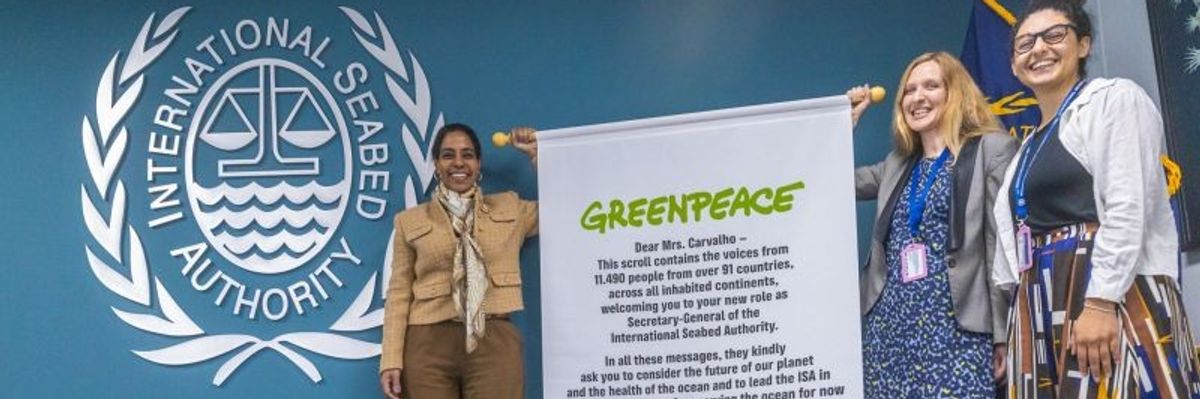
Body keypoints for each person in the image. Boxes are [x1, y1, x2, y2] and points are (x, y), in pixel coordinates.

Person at [992, 1, 1200, 397]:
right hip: (1041, 294)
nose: (1039, 49)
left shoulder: (1115, 100)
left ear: (1083, 45)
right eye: (1025, 44)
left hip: (1108, 291)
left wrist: (1102, 302)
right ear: (1015, 65)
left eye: (1054, 36)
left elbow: (1127, 206)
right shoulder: (1025, 147)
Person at [851, 51, 1018, 398]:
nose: (917, 97)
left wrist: (1003, 333)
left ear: (955, 92)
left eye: (931, 86)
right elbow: (837, 184)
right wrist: (844, 125)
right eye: (909, 90)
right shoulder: (897, 164)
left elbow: (999, 246)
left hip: (958, 331)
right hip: (891, 332)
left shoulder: (993, 150)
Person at [378, 123, 538, 399]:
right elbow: (399, 292)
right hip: (427, 344)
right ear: (437, 164)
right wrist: (390, 359)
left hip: (494, 339)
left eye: (467, 154)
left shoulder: (511, 207)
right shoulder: (409, 221)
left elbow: (566, 204)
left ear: (479, 163)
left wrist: (537, 157)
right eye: (448, 155)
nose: (458, 163)